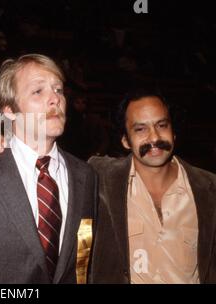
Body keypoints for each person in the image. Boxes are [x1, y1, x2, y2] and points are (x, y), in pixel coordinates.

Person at [0, 54, 98, 283]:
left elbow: (86, 262)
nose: (55, 99)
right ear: (8, 110)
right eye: (38, 91)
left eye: (58, 90)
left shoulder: (86, 176)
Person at [89, 90, 216, 283]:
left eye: (162, 125)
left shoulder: (209, 189)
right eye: (140, 129)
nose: (154, 137)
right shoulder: (101, 179)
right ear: (125, 140)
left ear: (173, 132)